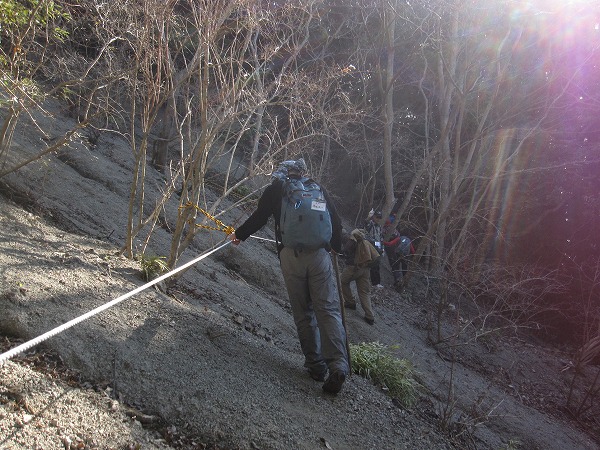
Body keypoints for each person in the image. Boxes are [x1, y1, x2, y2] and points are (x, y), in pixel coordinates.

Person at [229, 158, 349, 395]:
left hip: (290, 257)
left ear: (284, 171)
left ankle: (316, 366)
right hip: (319, 256)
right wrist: (335, 246)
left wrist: (240, 235)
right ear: (303, 172)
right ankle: (338, 365)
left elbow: (260, 217)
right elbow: (336, 221)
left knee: (303, 312)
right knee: (328, 310)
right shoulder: (317, 188)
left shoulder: (277, 188)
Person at [340, 229, 377, 325]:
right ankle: (370, 316)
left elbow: (345, 251)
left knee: (343, 281)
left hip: (354, 267)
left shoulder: (350, 239)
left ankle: (350, 302)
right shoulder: (365, 240)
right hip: (366, 268)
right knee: (364, 292)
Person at [364, 210, 384, 288]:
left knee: (376, 264)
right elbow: (365, 225)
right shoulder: (370, 223)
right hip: (369, 246)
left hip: (377, 248)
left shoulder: (379, 227)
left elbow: (381, 238)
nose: (378, 219)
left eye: (379, 218)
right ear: (374, 216)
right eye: (377, 217)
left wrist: (382, 248)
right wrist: (368, 217)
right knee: (371, 264)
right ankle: (374, 282)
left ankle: (376, 283)